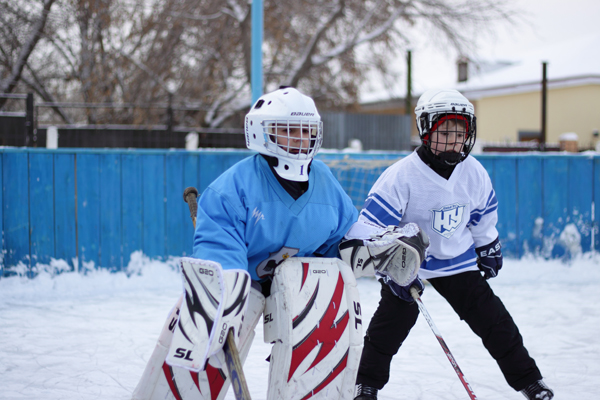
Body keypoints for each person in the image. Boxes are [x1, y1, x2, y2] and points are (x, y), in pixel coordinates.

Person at [132, 87, 361, 400]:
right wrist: (222, 295)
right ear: (262, 132)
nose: (299, 139)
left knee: (327, 291)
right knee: (205, 321)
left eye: (306, 131)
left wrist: (372, 249)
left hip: (301, 286)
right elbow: (219, 248)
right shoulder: (232, 187)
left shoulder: (325, 183)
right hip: (246, 283)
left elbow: (344, 239)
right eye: (288, 131)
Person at [341, 89, 554, 400]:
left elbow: (483, 216)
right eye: (445, 132)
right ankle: (367, 384)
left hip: (457, 261)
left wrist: (488, 245)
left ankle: (530, 382)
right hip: (409, 263)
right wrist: (389, 265)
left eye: (460, 132)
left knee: (495, 322)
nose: (454, 140)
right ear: (426, 131)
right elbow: (370, 227)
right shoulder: (401, 176)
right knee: (389, 327)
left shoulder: (474, 172)